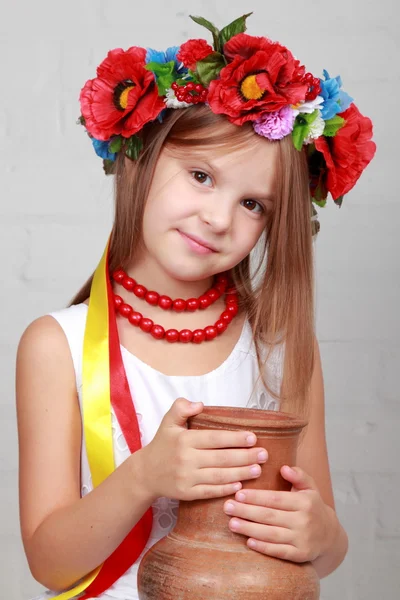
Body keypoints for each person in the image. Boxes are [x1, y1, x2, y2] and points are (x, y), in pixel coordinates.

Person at [16, 12, 376, 600]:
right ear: (140, 160)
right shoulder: (55, 346)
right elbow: (50, 565)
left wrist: (321, 532)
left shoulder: (282, 347)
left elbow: (327, 546)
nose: (219, 218)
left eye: (254, 204)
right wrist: (145, 476)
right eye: (202, 175)